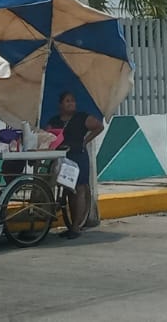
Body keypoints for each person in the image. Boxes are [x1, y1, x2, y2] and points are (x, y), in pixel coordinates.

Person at [45, 91, 104, 239]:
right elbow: (46, 135)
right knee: (65, 190)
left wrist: (85, 141)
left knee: (77, 189)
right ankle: (70, 224)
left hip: (77, 157)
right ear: (60, 105)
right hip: (59, 158)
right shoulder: (54, 120)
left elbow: (99, 127)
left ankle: (76, 226)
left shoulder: (82, 117)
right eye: (67, 101)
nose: (71, 103)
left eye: (72, 101)